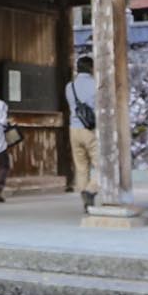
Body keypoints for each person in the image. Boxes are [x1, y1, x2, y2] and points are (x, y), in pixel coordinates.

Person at [67, 56, 97, 213]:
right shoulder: (95, 85)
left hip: (74, 128)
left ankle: (85, 202)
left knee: (81, 167)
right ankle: (91, 190)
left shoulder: (69, 86)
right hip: (90, 129)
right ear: (91, 68)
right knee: (102, 165)